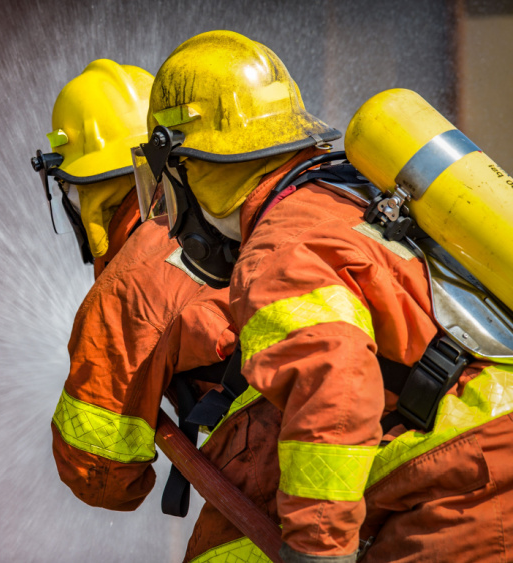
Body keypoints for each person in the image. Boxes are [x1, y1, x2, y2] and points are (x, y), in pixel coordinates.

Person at [140, 30, 513, 562]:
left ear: (188, 166)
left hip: (465, 479)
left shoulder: (276, 251)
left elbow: (334, 383)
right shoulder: (345, 192)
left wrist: (318, 548)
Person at [35, 59, 283, 563]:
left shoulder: (131, 283)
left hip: (282, 455)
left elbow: (101, 477)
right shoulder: (230, 213)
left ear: (79, 189)